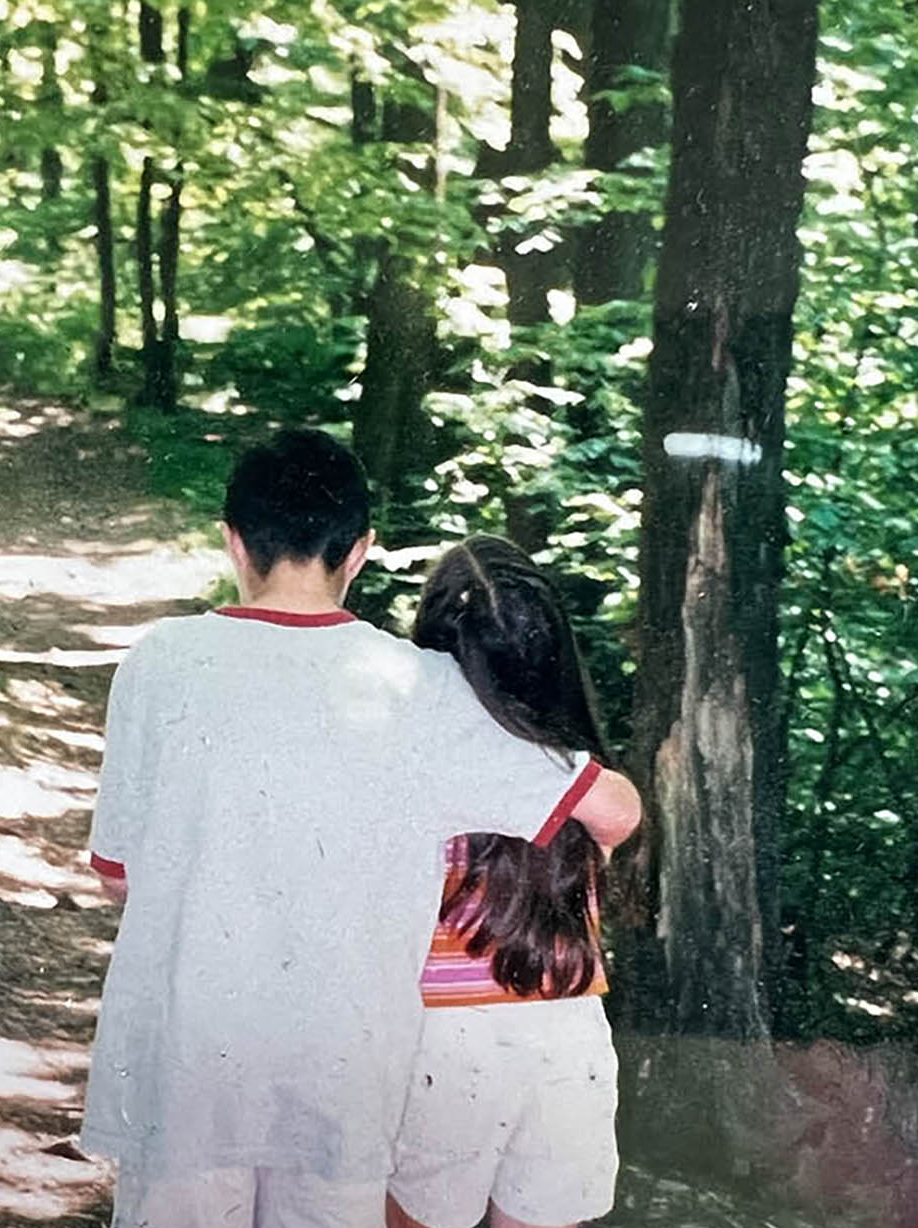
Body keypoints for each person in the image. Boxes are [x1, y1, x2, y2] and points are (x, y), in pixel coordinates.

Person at [83, 429, 643, 1228]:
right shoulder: (423, 687)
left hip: (185, 1066)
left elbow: (117, 873)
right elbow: (612, 812)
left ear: (233, 539)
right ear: (362, 550)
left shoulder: (160, 661)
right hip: (346, 1079)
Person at [386, 536, 632, 1228]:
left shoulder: (410, 760)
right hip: (567, 1032)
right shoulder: (573, 772)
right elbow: (623, 819)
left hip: (444, 1040)